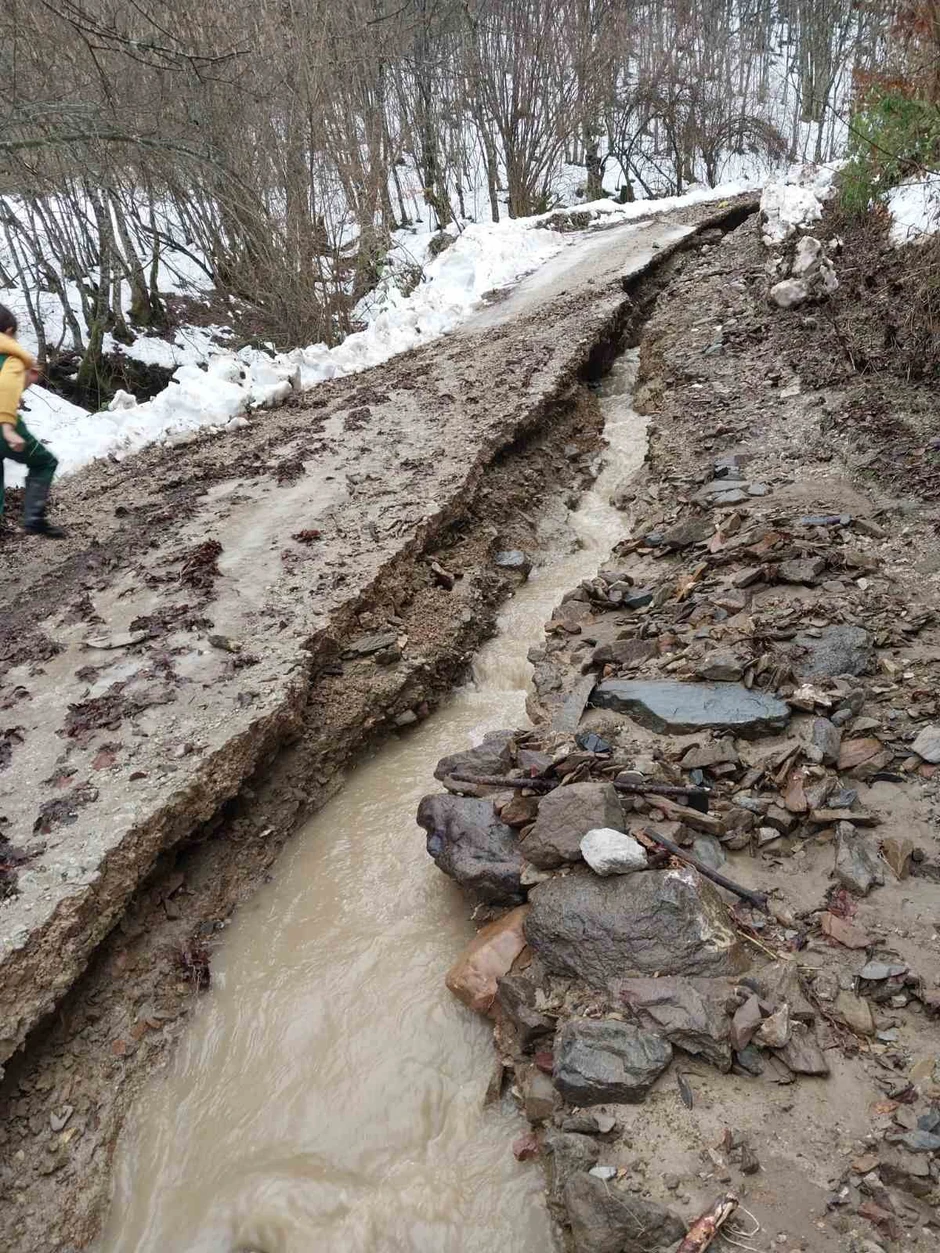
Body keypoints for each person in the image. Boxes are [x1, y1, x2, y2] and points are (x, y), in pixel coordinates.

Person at [0, 304, 63, 537]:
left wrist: (26, 380)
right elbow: (5, 388)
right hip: (3, 425)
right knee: (44, 462)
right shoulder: (11, 357)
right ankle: (34, 518)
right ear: (8, 331)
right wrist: (7, 427)